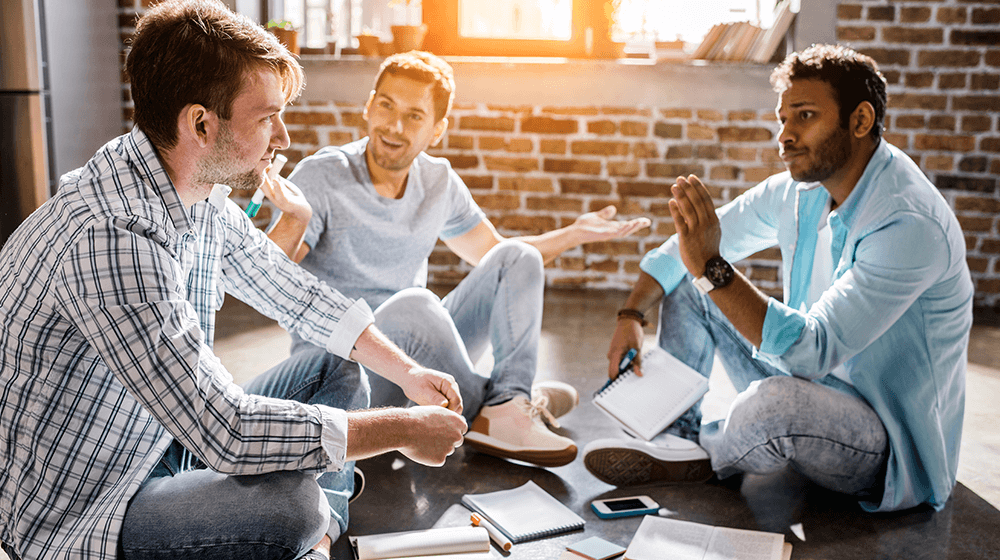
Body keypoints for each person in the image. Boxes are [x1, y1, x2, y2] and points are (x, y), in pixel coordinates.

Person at [0, 2, 468, 560]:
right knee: (290, 506)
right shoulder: (113, 239)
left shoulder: (190, 190)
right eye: (268, 117)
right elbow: (228, 431)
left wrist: (409, 373)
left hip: (159, 441)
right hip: (85, 512)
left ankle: (314, 542)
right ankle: (313, 532)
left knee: (338, 365)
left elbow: (295, 293)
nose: (285, 137)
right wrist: (405, 429)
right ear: (201, 124)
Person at [583, 44, 972, 513]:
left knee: (774, 405)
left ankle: (706, 457)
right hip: (812, 382)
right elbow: (693, 246)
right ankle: (679, 437)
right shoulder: (802, 191)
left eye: (804, 116)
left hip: (882, 442)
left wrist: (711, 266)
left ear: (861, 121)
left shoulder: (909, 222)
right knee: (693, 282)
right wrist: (632, 312)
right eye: (783, 119)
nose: (784, 136)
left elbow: (813, 349)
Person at [261, 51, 650, 468]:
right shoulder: (322, 175)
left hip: (418, 365)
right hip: (349, 367)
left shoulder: (438, 180)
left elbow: (497, 258)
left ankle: (508, 403)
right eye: (386, 106)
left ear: (437, 130)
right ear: (369, 106)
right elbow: (268, 276)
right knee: (415, 305)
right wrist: (293, 217)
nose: (393, 126)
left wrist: (573, 234)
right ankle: (507, 406)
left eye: (414, 116)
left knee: (515, 257)